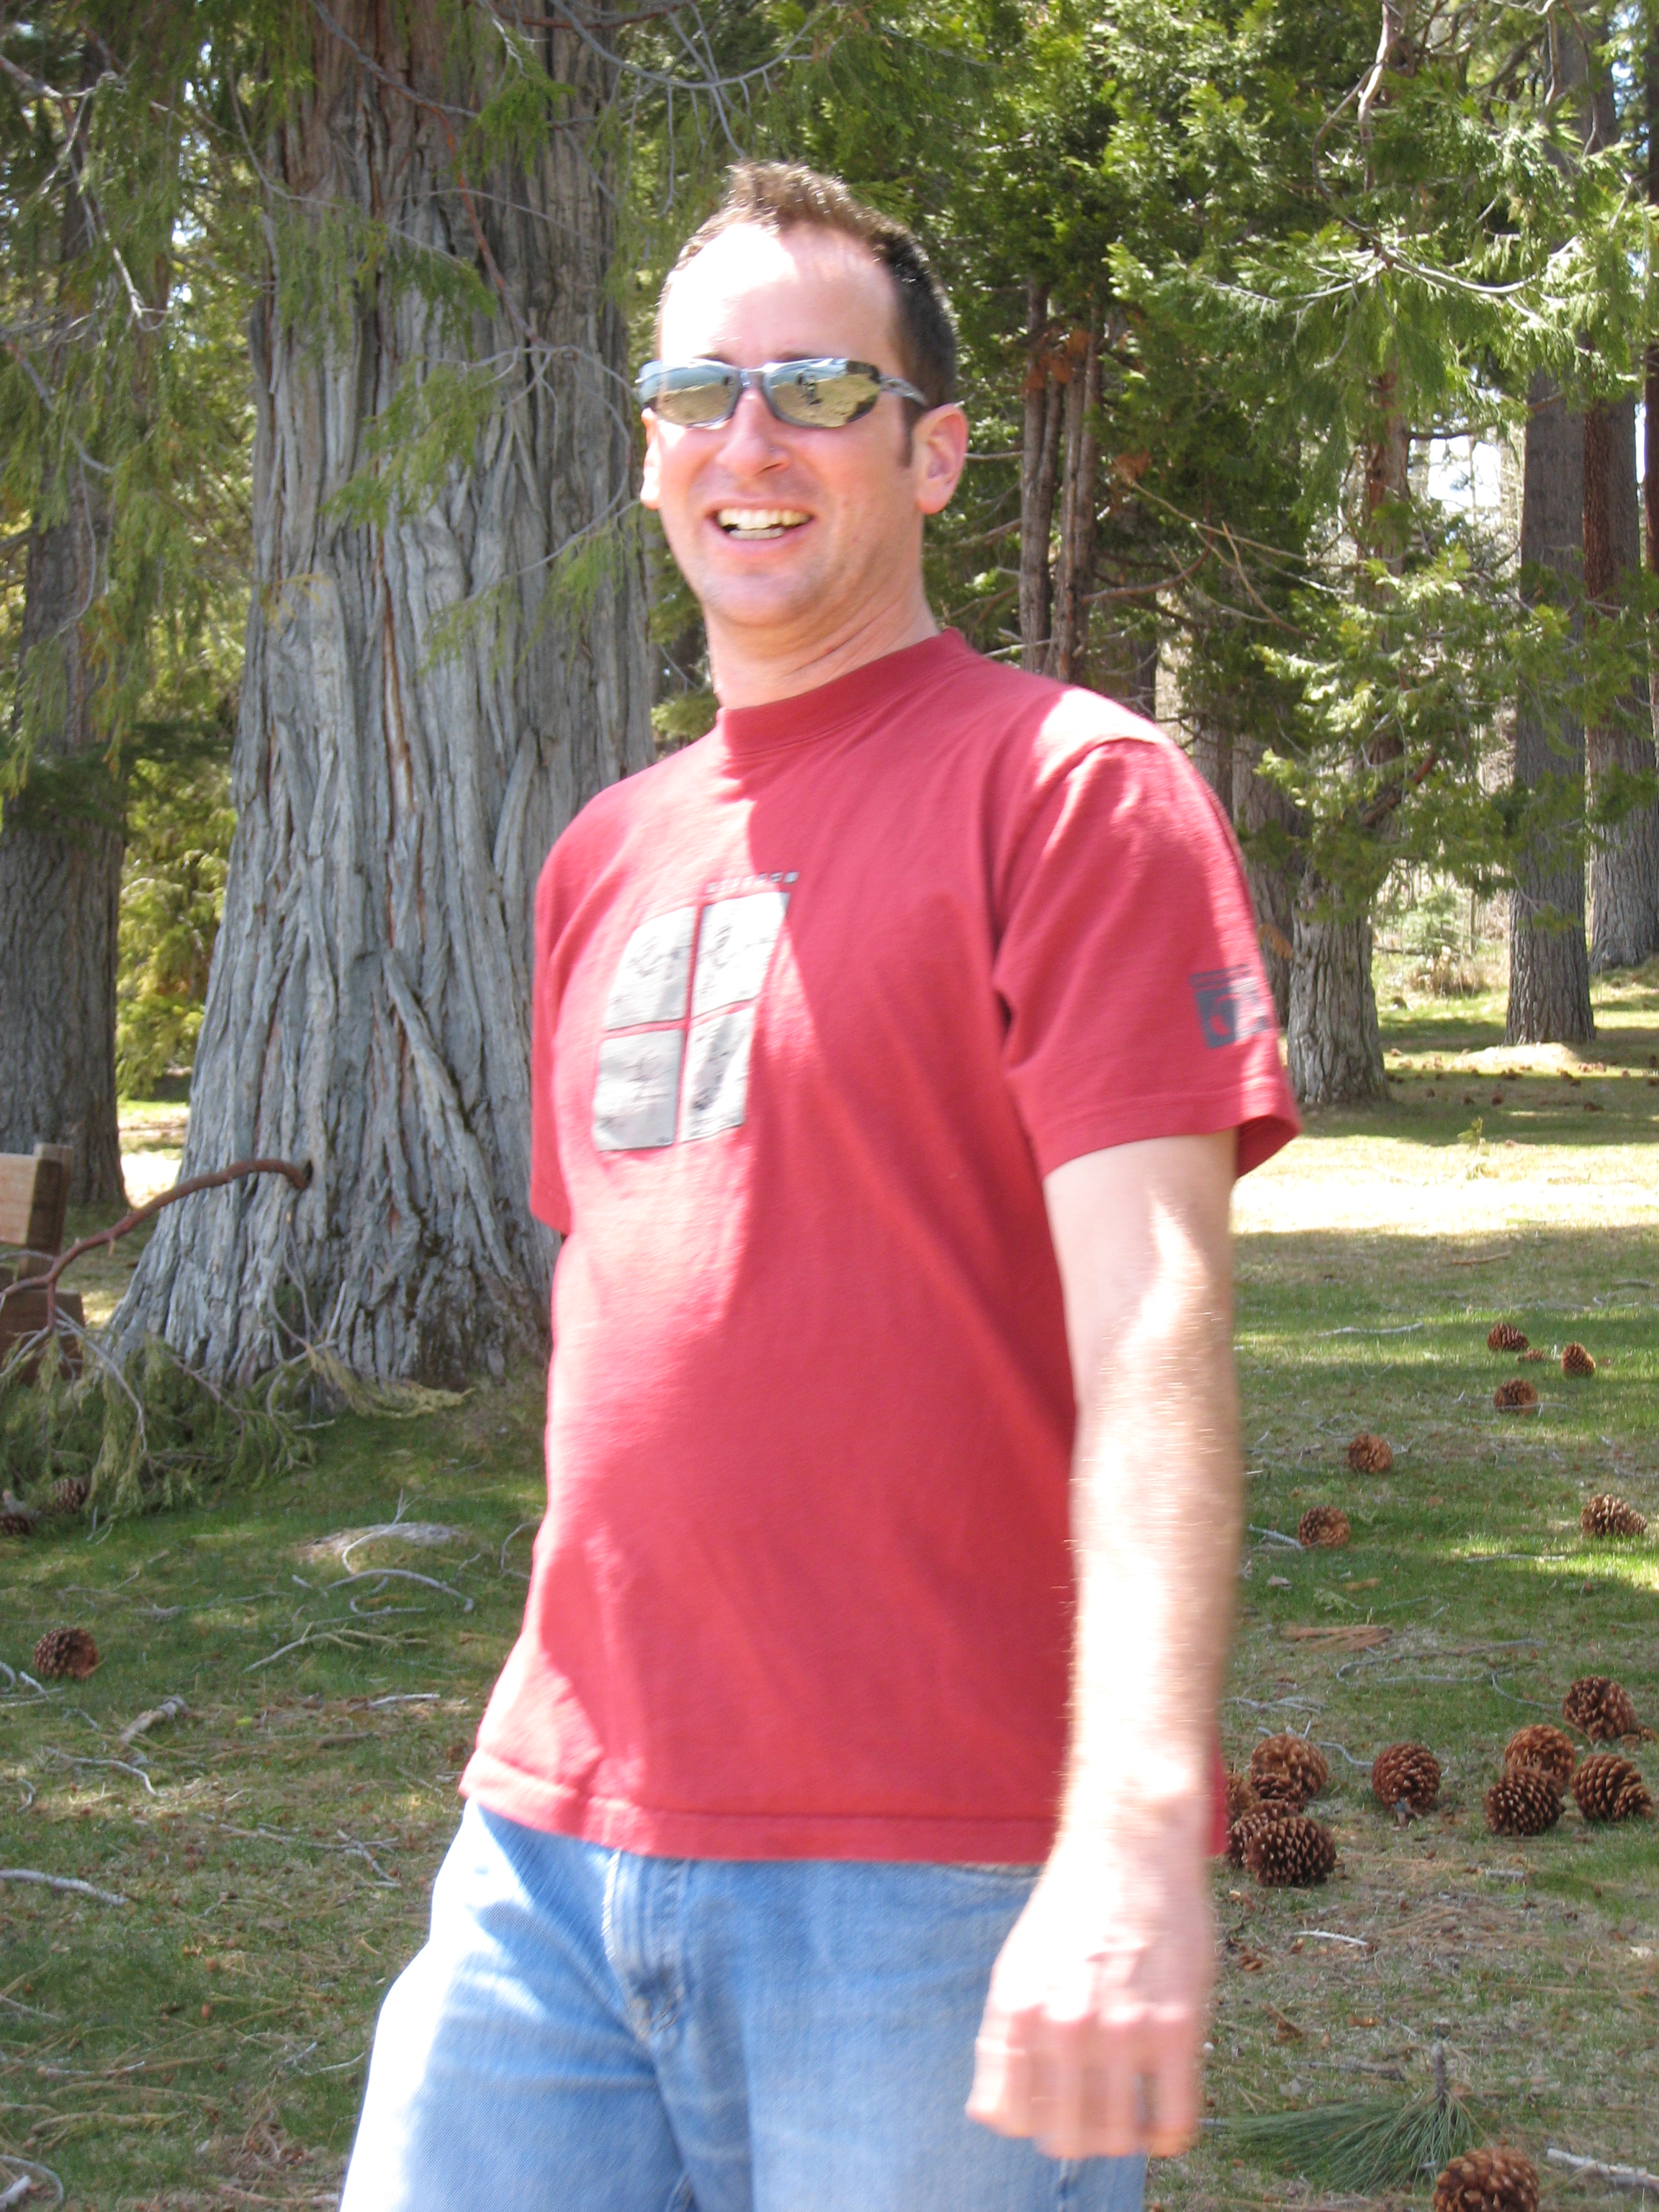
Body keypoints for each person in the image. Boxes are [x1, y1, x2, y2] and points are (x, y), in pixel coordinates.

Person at [340, 161, 1297, 2212]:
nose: (748, 439)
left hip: (925, 1879)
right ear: (650, 452)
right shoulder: (600, 855)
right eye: (699, 389)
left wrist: (1136, 1831)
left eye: (820, 390)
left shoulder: (1071, 793)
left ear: (933, 453)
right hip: (544, 1862)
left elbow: (1159, 1326)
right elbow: (639, 1333)